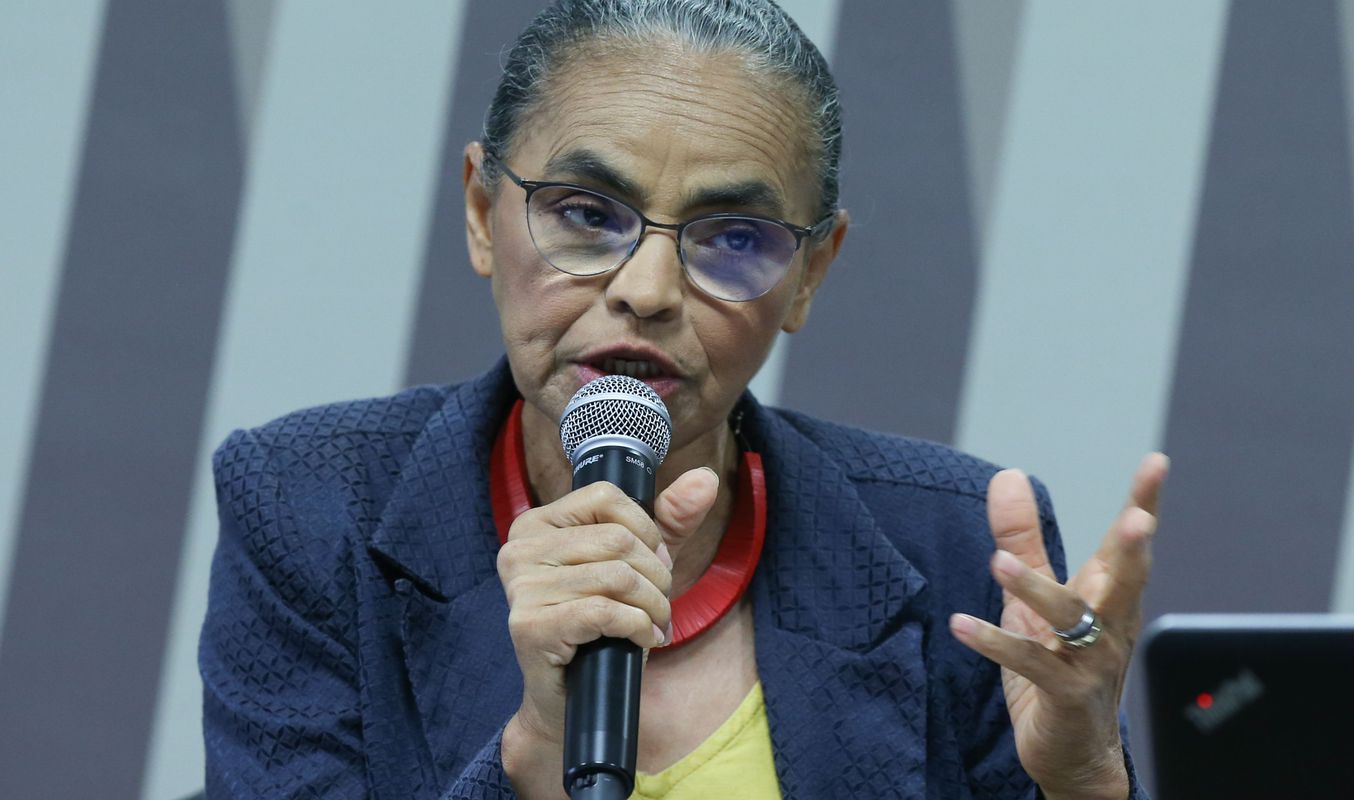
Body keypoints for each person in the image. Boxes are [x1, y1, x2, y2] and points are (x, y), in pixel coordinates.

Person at [200, 1, 1169, 797]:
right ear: (482, 211)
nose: (648, 289)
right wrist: (534, 751)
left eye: (734, 237)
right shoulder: (309, 507)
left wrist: (1083, 780)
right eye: (587, 214)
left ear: (810, 275)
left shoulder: (955, 547)